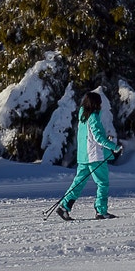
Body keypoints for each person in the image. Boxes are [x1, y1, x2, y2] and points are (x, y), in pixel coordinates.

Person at [57, 90, 122, 220]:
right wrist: (114, 147)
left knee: (78, 183)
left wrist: (105, 139)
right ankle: (101, 211)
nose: (101, 105)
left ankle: (64, 206)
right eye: (100, 103)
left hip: (83, 156)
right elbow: (98, 138)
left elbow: (90, 137)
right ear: (95, 104)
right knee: (103, 183)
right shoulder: (93, 117)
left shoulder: (83, 117)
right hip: (95, 157)